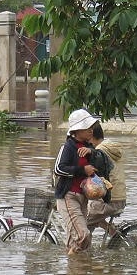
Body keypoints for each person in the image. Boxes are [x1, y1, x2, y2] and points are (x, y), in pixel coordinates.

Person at [54, 108, 100, 255]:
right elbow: (58, 169)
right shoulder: (68, 147)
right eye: (87, 128)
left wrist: (92, 153)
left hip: (83, 198)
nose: (91, 131)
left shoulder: (89, 147)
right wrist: (82, 170)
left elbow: (101, 164)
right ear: (77, 130)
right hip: (69, 196)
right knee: (83, 235)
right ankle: (74, 262)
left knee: (78, 241)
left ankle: (74, 274)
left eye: (91, 128)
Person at [83, 124, 126, 234]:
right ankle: (112, 232)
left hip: (109, 200)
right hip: (120, 198)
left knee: (80, 221)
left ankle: (81, 249)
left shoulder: (99, 152)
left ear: (91, 136)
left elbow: (94, 176)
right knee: (91, 219)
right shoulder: (112, 148)